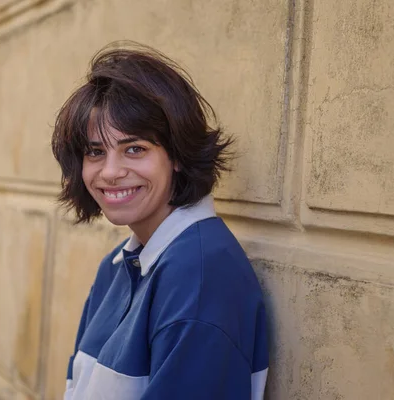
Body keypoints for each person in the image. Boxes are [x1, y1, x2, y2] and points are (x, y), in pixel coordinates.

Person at [51, 42, 268, 400]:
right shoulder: (118, 266)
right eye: (95, 151)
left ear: (177, 156)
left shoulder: (200, 280)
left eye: (135, 149)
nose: (111, 172)